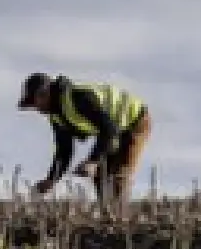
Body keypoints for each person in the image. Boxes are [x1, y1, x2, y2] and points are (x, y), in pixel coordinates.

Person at [18, 72, 153, 215]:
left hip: (135, 121)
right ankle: (108, 217)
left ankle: (121, 221)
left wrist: (92, 161)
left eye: (34, 102)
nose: (36, 109)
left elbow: (109, 130)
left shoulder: (78, 97)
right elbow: (64, 150)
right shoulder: (56, 115)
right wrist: (51, 180)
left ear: (44, 93)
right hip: (114, 130)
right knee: (101, 176)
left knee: (118, 175)